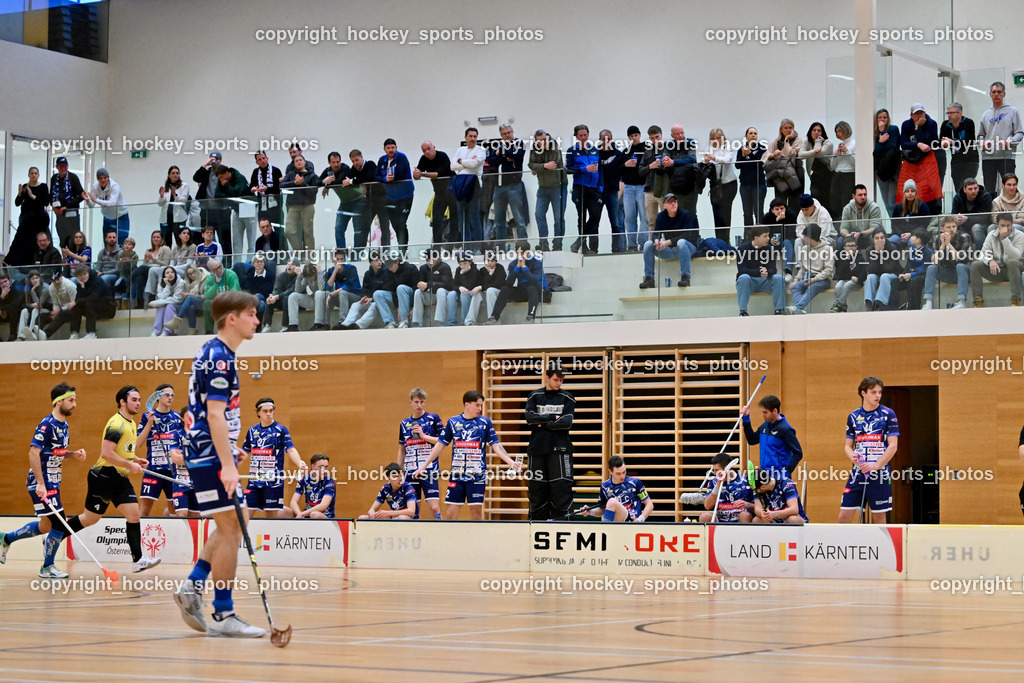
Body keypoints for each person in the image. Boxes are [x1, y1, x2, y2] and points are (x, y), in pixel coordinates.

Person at [173, 290, 266, 638]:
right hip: (209, 455)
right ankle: (224, 613)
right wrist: (226, 463)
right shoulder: (220, 358)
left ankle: (193, 586)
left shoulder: (215, 352)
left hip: (210, 450)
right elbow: (213, 414)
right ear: (232, 318)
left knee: (233, 523)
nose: (256, 320)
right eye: (252, 314)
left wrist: (229, 449)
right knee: (231, 528)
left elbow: (211, 415)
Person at [69, 386, 161, 572]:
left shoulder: (132, 423)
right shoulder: (116, 424)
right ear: (122, 402)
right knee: (90, 519)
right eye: (134, 400)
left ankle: (138, 560)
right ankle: (56, 534)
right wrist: (130, 465)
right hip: (103, 476)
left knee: (134, 514)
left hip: (119, 478)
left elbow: (125, 449)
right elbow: (106, 453)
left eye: (139, 399)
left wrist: (135, 459)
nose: (138, 403)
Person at [0, 383, 87, 577]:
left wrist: (73, 455)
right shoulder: (46, 424)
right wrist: (40, 483)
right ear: (59, 402)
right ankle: (47, 567)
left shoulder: (64, 425)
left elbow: (54, 454)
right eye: (71, 400)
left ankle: (6, 538)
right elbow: (33, 452)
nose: (74, 404)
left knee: (45, 526)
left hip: (53, 482)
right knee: (59, 523)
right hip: (42, 482)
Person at [414, 390, 522, 520]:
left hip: (477, 476)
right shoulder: (453, 422)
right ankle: (451, 540)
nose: (480, 408)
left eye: (481, 405)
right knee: (450, 513)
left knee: (476, 512)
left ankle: (477, 540)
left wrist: (511, 462)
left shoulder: (485, 423)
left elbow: (496, 446)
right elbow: (440, 445)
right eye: (477, 405)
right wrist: (423, 466)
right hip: (457, 475)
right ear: (467, 404)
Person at [837, 376, 899, 524]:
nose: (878, 395)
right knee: (843, 516)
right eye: (873, 392)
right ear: (863, 393)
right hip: (858, 473)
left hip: (879, 473)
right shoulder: (853, 416)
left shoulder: (888, 414)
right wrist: (853, 457)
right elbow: (847, 446)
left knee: (878, 518)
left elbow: (893, 446)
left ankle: (879, 547)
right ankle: (846, 546)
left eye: (879, 392)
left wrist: (876, 465)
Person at [240, 397, 308, 518]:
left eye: (271, 410)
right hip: (254, 481)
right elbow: (244, 452)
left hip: (273, 482)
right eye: (265, 411)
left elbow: (291, 450)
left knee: (271, 518)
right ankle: (243, 537)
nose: (269, 413)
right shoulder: (252, 431)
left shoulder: (281, 430)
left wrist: (300, 464)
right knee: (245, 515)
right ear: (258, 413)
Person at [524, 366, 576, 521]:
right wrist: (554, 417)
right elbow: (530, 418)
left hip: (561, 450)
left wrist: (544, 422)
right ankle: (536, 526)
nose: (559, 383)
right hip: (537, 449)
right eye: (555, 379)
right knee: (537, 490)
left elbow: (567, 422)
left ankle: (563, 526)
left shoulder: (568, 398)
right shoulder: (534, 396)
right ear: (547, 377)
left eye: (561, 380)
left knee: (561, 489)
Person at [136, 384, 183, 516]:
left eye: (172, 395)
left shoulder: (177, 417)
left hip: (172, 470)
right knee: (145, 509)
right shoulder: (147, 416)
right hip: (153, 470)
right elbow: (138, 443)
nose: (170, 397)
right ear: (157, 396)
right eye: (166, 394)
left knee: (173, 509)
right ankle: (138, 535)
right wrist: (150, 423)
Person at [398, 388, 444, 519]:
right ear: (410, 403)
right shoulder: (404, 423)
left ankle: (440, 531)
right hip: (410, 470)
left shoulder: (433, 419)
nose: (419, 405)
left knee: (434, 507)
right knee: (413, 509)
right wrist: (398, 469)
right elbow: (402, 449)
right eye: (416, 402)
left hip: (428, 469)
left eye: (422, 402)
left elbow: (441, 442)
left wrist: (424, 436)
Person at [638, 193, 698, 289]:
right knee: (648, 244)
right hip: (670, 250)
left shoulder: (685, 214)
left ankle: (686, 277)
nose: (673, 204)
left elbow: (689, 235)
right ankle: (649, 279)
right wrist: (656, 240)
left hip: (687, 248)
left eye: (674, 201)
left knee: (681, 242)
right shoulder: (661, 216)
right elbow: (656, 233)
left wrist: (668, 242)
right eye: (670, 202)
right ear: (664, 206)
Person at [488, 125, 529, 249]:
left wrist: (501, 153)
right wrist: (505, 157)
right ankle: (500, 247)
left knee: (518, 218)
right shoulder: (496, 145)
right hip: (498, 187)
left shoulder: (518, 143)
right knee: (499, 220)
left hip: (514, 186)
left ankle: (523, 246)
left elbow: (517, 156)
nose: (507, 135)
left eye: (509, 132)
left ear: (513, 132)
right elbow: (490, 160)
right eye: (504, 133)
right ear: (501, 135)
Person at [978, 81, 1023, 195]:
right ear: (990, 94)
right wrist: (982, 142)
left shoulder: (1013, 111)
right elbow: (980, 136)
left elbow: (1020, 133)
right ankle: (992, 212)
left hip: (1006, 156)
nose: (996, 94)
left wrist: (1010, 141)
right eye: (994, 92)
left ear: (1004, 94)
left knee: (1009, 188)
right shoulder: (985, 114)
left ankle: (1009, 212)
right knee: (989, 189)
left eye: (999, 92)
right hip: (988, 157)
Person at [970, 212, 1024, 307]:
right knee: (975, 265)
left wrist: (1004, 239)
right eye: (1002, 225)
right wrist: (990, 261)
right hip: (996, 270)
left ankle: (1016, 299)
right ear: (997, 225)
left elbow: (1016, 256)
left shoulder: (1019, 235)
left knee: (1012, 262)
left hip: (1013, 269)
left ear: (1012, 224)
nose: (1005, 228)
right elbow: (983, 253)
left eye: (1008, 225)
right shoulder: (991, 235)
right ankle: (978, 300)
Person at [741, 395, 803, 477]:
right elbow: (752, 440)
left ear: (775, 411)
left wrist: (786, 472)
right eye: (762, 412)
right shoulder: (765, 425)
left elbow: (798, 453)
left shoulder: (785, 430)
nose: (763, 415)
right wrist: (746, 419)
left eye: (765, 412)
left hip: (778, 477)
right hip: (765, 476)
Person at [566, 124, 603, 255]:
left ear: (588, 134)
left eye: (585, 135)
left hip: (594, 189)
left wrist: (601, 187)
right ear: (576, 136)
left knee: (595, 216)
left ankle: (578, 242)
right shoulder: (571, 150)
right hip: (580, 188)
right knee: (581, 217)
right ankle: (584, 246)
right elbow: (567, 169)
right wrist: (583, 169)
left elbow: (601, 170)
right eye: (580, 135)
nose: (583, 138)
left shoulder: (595, 150)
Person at [898, 104, 943, 214]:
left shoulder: (931, 123)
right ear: (911, 115)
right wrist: (918, 145)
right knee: (912, 188)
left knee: (930, 189)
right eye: (916, 113)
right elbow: (904, 144)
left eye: (921, 113)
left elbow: (928, 144)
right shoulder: (906, 124)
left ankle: (934, 214)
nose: (919, 116)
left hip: (929, 162)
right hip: (912, 162)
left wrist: (918, 128)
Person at [581, 455, 653, 522]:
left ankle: (604, 530)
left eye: (624, 472)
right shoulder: (605, 486)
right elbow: (603, 510)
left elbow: (649, 504)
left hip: (631, 521)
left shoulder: (635, 482)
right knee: (611, 503)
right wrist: (590, 511)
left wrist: (640, 520)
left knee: (612, 501)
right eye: (618, 474)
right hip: (616, 521)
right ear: (610, 471)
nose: (622, 476)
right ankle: (606, 530)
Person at [486, 241, 544, 324]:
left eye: (524, 253)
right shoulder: (513, 264)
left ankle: (530, 317)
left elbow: (535, 281)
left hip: (538, 292)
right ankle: (494, 317)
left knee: (531, 288)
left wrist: (524, 267)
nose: (521, 255)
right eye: (519, 253)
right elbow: (509, 283)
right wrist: (517, 268)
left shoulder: (536, 262)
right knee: (505, 289)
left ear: (528, 252)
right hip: (523, 291)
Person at [922, 215, 971, 310]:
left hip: (964, 272)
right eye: (948, 227)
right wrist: (943, 245)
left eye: (954, 226)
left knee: (960, 266)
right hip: (948, 272)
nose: (951, 229)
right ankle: (928, 303)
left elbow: (961, 258)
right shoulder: (938, 239)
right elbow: (934, 260)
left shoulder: (964, 237)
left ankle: (962, 302)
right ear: (942, 228)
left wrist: (948, 244)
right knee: (931, 268)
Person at [734, 225, 785, 316]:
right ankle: (743, 312)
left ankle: (779, 310)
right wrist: (758, 272)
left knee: (778, 278)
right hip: (750, 282)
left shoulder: (770, 249)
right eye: (765, 236)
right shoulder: (742, 248)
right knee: (743, 278)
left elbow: (773, 269)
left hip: (765, 281)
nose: (768, 238)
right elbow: (741, 269)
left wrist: (767, 273)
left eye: (768, 235)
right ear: (756, 238)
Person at [6, 166, 51, 267]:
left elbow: (45, 202)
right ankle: (14, 262)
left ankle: (36, 262)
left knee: (35, 241)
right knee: (21, 241)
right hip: (26, 218)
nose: (34, 175)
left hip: (38, 219)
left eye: (35, 173)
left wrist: (32, 196)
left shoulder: (43, 186)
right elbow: (17, 203)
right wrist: (20, 193)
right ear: (29, 175)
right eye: (32, 173)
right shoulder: (26, 186)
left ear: (38, 175)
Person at [528, 129, 565, 251]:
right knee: (539, 214)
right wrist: (543, 166)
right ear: (536, 141)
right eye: (540, 141)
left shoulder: (554, 145)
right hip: (543, 187)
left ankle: (557, 244)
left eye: (544, 139)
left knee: (558, 217)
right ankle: (544, 244)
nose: (543, 142)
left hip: (558, 186)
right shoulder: (534, 147)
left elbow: (553, 164)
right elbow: (531, 165)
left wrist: (538, 168)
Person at [787, 223, 834, 314]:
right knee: (795, 288)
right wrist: (796, 280)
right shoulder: (805, 249)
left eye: (805, 236)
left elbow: (828, 270)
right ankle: (799, 310)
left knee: (812, 287)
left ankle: (798, 307)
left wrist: (814, 279)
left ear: (812, 237)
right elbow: (803, 268)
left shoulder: (827, 249)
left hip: (822, 279)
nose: (803, 239)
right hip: (807, 277)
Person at [414, 141, 455, 244]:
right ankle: (437, 246)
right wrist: (416, 174)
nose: (427, 152)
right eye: (424, 150)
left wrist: (422, 174)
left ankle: (454, 246)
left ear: (434, 147)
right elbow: (417, 176)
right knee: (436, 221)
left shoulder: (442, 156)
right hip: (439, 194)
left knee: (454, 220)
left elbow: (439, 174)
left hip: (452, 192)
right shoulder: (424, 159)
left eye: (429, 148)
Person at [451, 128, 486, 246]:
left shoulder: (481, 149)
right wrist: (466, 163)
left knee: (474, 218)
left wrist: (461, 162)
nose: (473, 139)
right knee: (462, 219)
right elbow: (452, 166)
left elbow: (475, 164)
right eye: (470, 136)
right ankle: (466, 246)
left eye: (475, 136)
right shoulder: (460, 149)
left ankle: (477, 247)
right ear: (465, 137)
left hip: (474, 185)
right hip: (460, 184)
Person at [376, 138, 415, 248]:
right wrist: (385, 179)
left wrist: (391, 178)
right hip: (390, 197)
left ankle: (403, 249)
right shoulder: (381, 160)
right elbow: (376, 175)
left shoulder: (402, 157)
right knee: (394, 224)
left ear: (396, 148)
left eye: (393, 147)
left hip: (405, 196)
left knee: (401, 223)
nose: (391, 150)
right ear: (384, 149)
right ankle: (401, 247)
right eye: (388, 148)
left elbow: (401, 172)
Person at [336, 252, 387, 330]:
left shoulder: (387, 272)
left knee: (374, 306)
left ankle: (358, 325)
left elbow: (386, 290)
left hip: (381, 300)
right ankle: (345, 324)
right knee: (356, 305)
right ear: (370, 263)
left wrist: (372, 299)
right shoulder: (367, 274)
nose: (379, 262)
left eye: (380, 260)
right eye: (376, 260)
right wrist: (366, 298)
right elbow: (365, 290)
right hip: (370, 300)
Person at [280, 155, 320, 254]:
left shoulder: (312, 175)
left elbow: (313, 191)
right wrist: (295, 182)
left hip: (308, 206)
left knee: (307, 232)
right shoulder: (291, 174)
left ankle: (310, 257)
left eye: (300, 160)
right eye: (296, 161)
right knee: (289, 231)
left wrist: (302, 183)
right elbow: (281, 185)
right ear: (294, 164)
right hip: (293, 206)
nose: (298, 162)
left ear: (304, 162)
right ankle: (299, 253)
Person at [698, 453, 754, 523]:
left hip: (740, 518)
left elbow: (757, 507)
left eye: (717, 470)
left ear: (727, 468)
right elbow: (707, 506)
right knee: (705, 516)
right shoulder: (713, 482)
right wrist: (718, 486)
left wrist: (747, 505)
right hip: (720, 519)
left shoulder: (745, 481)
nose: (715, 473)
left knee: (745, 515)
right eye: (714, 470)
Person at [705, 127, 738, 243]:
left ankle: (726, 240)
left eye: (718, 138)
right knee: (716, 212)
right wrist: (706, 160)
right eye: (713, 138)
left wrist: (714, 158)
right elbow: (706, 164)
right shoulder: (709, 149)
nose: (716, 140)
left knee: (725, 211)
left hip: (729, 183)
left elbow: (727, 159)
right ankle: (719, 240)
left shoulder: (727, 147)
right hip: (715, 184)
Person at [764, 118, 804, 213]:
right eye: (786, 128)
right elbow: (765, 156)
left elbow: (789, 153)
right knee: (780, 204)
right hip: (780, 176)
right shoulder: (776, 141)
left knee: (795, 204)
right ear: (781, 130)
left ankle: (794, 227)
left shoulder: (798, 140)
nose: (788, 130)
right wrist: (773, 155)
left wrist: (786, 141)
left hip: (796, 176)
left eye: (791, 127)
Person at [84, 168, 130, 245]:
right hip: (107, 217)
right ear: (97, 179)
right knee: (107, 242)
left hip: (121, 216)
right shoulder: (95, 186)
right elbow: (92, 205)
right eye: (100, 178)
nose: (103, 180)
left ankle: (121, 257)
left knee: (122, 241)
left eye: (105, 178)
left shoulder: (115, 186)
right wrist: (88, 200)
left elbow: (112, 203)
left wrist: (96, 200)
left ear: (108, 178)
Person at [316, 248, 361, 327]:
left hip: (355, 296)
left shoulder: (351, 268)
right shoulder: (331, 270)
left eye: (342, 259)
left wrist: (332, 294)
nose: (339, 261)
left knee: (342, 292)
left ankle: (343, 322)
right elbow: (327, 287)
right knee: (324, 294)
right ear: (333, 260)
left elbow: (347, 287)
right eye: (337, 259)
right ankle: (325, 324)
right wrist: (335, 271)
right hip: (341, 298)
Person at [940, 103, 979, 193]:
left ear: (960, 113)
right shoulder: (945, 125)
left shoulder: (968, 123)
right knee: (958, 189)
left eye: (952, 113)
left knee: (967, 187)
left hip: (970, 160)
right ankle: (960, 206)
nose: (949, 115)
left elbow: (969, 142)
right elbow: (941, 140)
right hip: (956, 161)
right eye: (948, 113)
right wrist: (944, 142)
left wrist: (952, 142)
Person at [862, 228, 905, 311]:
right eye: (877, 238)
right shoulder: (869, 250)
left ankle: (880, 303)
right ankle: (869, 303)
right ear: (873, 240)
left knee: (884, 276)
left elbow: (889, 269)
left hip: (893, 274)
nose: (880, 241)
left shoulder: (892, 248)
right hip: (878, 275)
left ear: (885, 238)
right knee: (871, 277)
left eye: (882, 238)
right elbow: (871, 270)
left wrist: (880, 254)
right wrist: (877, 254)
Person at [69, 264, 115, 340]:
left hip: (108, 308)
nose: (83, 277)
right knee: (77, 307)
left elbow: (94, 298)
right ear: (77, 277)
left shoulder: (97, 280)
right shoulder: (81, 283)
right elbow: (78, 299)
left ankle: (91, 333)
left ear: (88, 273)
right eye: (80, 275)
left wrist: (77, 301)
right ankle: (74, 333)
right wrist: (82, 287)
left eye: (84, 274)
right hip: (94, 309)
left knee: (88, 303)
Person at [49, 157, 85, 248]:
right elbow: (51, 195)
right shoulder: (54, 178)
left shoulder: (73, 177)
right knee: (63, 240)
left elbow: (81, 195)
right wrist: (53, 207)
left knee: (74, 240)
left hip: (72, 215)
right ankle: (65, 260)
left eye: (65, 166)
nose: (63, 168)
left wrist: (67, 207)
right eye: (61, 166)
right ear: (57, 167)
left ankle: (75, 260)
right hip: (60, 216)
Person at [373, 256, 418, 329]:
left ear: (397, 262)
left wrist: (413, 306)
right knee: (377, 294)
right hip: (398, 296)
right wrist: (398, 306)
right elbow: (392, 290)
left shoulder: (410, 268)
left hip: (410, 295)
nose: (390, 269)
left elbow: (416, 288)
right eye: (388, 267)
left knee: (401, 288)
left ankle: (404, 320)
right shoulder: (389, 272)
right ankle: (390, 321)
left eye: (391, 266)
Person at [285, 454, 335, 519]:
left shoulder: (329, 482)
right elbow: (293, 502)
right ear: (313, 467)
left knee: (314, 514)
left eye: (326, 467)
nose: (324, 470)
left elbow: (323, 506)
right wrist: (300, 515)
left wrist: (302, 514)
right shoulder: (305, 480)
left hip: (325, 516)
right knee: (284, 510)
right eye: (321, 467)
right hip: (306, 515)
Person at [130, 230, 171, 309]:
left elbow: (166, 264)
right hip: (147, 270)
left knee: (140, 269)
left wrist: (154, 259)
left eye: (158, 237)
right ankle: (140, 304)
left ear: (162, 239)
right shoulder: (149, 250)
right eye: (154, 237)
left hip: (159, 270)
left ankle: (130, 277)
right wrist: (146, 260)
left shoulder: (165, 248)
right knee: (139, 278)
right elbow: (145, 265)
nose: (155, 239)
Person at [737, 127, 768, 231]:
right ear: (746, 136)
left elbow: (760, 164)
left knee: (758, 211)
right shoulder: (741, 149)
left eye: (755, 133)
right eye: (751, 133)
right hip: (745, 185)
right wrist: (743, 155)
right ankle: (748, 237)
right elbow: (738, 165)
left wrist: (749, 154)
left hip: (759, 185)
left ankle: (761, 235)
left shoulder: (762, 149)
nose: (753, 135)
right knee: (747, 212)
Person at [170, 407, 198, 518]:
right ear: (182, 418)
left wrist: (183, 456)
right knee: (182, 515)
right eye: (188, 415)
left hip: (197, 483)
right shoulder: (176, 434)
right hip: (180, 482)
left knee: (196, 518)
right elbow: (175, 459)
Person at [799, 122, 834, 213]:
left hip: (828, 174)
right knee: (815, 197)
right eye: (814, 130)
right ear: (810, 132)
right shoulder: (807, 142)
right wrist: (813, 152)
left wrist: (818, 141)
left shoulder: (828, 142)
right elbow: (801, 154)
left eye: (819, 130)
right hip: (815, 175)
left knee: (827, 199)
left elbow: (819, 154)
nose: (816, 132)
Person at [166, 264, 209, 335]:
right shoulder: (188, 283)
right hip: (196, 305)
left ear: (197, 270)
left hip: (207, 304)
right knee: (190, 306)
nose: (192, 275)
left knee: (190, 298)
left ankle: (177, 320)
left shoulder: (206, 278)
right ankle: (192, 330)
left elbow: (208, 296)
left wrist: (193, 295)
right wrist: (185, 296)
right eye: (189, 274)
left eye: (193, 272)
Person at [34, 267, 76, 341]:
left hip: (73, 310)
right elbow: (55, 303)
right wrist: (55, 311)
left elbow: (74, 303)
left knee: (63, 314)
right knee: (42, 316)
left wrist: (59, 310)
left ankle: (46, 334)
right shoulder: (51, 288)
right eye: (53, 280)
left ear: (61, 276)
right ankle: (35, 334)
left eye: (57, 279)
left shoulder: (69, 285)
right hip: (61, 309)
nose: (56, 282)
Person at [951, 178, 994, 248]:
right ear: (964, 190)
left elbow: (986, 217)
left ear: (978, 188)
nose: (973, 191)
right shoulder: (957, 197)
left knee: (976, 227)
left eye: (975, 188)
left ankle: (982, 253)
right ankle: (965, 253)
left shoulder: (985, 196)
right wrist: (957, 219)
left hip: (983, 225)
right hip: (964, 225)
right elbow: (953, 215)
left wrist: (967, 218)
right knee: (956, 227)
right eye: (970, 189)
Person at [830, 236, 868, 313]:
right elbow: (840, 274)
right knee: (838, 286)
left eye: (853, 245)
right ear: (844, 247)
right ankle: (843, 307)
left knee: (848, 285)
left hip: (856, 282)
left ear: (856, 247)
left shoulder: (860, 258)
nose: (851, 248)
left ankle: (838, 304)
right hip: (844, 280)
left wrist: (858, 278)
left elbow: (864, 273)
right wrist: (847, 259)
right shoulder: (840, 257)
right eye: (848, 246)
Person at [873, 109, 902, 211]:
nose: (882, 120)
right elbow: (876, 152)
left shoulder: (893, 129)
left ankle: (897, 225)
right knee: (887, 203)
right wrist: (880, 142)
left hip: (893, 169)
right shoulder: (875, 133)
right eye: (880, 117)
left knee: (892, 202)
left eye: (884, 117)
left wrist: (883, 133)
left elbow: (892, 146)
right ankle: (894, 226)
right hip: (881, 170)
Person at [762, 197, 799, 277]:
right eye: (777, 209)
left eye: (782, 208)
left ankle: (788, 271)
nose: (780, 211)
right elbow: (763, 234)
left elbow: (792, 234)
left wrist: (780, 221)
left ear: (785, 208)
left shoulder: (791, 215)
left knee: (787, 242)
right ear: (772, 210)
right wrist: (770, 239)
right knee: (766, 246)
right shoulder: (767, 218)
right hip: (773, 243)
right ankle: (768, 272)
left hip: (787, 241)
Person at [202, 258, 241, 334]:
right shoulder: (210, 278)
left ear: (222, 265)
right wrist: (216, 283)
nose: (219, 270)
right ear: (211, 271)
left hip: (232, 301)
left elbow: (234, 292)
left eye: (219, 267)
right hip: (217, 303)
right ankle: (209, 331)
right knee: (207, 303)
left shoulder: (231, 274)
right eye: (215, 269)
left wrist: (221, 300)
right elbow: (207, 295)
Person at [839, 184, 883, 249]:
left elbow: (874, 228)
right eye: (860, 195)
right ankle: (842, 259)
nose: (863, 197)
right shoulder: (847, 208)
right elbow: (843, 228)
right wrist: (848, 235)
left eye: (865, 194)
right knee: (840, 241)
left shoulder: (874, 208)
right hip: (853, 237)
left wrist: (860, 234)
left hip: (868, 236)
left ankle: (875, 259)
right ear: (853, 196)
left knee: (874, 239)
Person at [285, 262, 325, 332]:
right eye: (308, 277)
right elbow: (298, 290)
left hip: (325, 301)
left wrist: (319, 273)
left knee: (318, 293)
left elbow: (321, 289)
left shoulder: (322, 274)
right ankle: (293, 325)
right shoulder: (307, 277)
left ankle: (318, 323)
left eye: (311, 276)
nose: (310, 278)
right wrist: (299, 276)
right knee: (293, 296)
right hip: (314, 300)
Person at [158, 165, 191, 246]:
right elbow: (160, 204)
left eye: (177, 173)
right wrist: (161, 196)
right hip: (166, 218)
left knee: (180, 241)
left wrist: (175, 195)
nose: (176, 175)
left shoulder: (184, 185)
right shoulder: (166, 186)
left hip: (178, 218)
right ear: (169, 175)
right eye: (173, 173)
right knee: (165, 242)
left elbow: (184, 200)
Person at [249, 151, 283, 227]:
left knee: (279, 232)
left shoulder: (276, 170)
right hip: (262, 207)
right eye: (259, 159)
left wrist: (267, 189)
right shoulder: (255, 172)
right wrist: (253, 189)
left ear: (267, 159)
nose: (262, 161)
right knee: (265, 231)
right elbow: (251, 186)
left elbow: (279, 188)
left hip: (275, 207)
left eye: (263, 158)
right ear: (256, 162)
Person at [830, 121, 856, 218]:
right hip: (837, 175)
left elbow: (857, 164)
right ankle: (838, 219)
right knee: (834, 199)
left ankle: (846, 220)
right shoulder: (838, 146)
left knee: (846, 200)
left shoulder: (854, 144)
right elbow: (832, 167)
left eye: (840, 131)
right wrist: (835, 156)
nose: (838, 134)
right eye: (836, 132)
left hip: (849, 175)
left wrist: (847, 151)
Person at [150, 266, 185, 336]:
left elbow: (176, 299)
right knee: (162, 306)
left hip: (180, 305)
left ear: (175, 274)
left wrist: (157, 302)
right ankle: (156, 331)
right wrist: (168, 286)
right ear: (164, 275)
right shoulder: (161, 283)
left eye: (172, 272)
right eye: (167, 273)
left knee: (169, 306)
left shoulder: (181, 282)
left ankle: (168, 331)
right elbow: (160, 297)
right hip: (168, 304)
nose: (170, 274)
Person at [17, 270, 51, 340]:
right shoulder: (27, 286)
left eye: (37, 278)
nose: (35, 280)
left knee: (35, 310)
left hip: (48, 309)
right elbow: (27, 303)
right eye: (33, 278)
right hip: (36, 308)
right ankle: (20, 335)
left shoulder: (45, 288)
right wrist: (32, 305)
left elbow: (39, 304)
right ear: (30, 280)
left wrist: (32, 291)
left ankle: (31, 333)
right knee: (24, 310)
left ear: (40, 278)